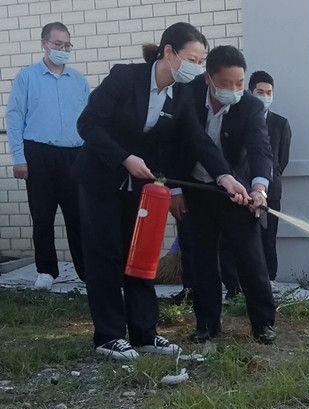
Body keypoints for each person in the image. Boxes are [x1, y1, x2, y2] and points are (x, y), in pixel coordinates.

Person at [72, 23, 250, 360]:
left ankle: (145, 333)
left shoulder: (182, 94)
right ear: (169, 52)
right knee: (106, 255)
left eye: (201, 61)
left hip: (140, 187)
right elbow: (88, 124)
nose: (198, 68)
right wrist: (124, 158)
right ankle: (109, 336)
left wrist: (225, 177)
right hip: (100, 179)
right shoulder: (125, 78)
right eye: (193, 60)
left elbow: (198, 140)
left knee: (141, 254)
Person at [170, 46, 277, 345]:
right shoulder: (187, 96)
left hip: (238, 193)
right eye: (226, 84)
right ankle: (207, 324)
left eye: (239, 83)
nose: (234, 90)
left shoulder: (251, 107)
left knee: (251, 259)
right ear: (208, 79)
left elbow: (260, 150)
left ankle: (263, 324)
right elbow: (173, 145)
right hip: (196, 190)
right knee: (201, 259)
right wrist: (175, 190)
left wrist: (259, 188)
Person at [6, 22, 89, 290]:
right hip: (38, 152)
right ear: (44, 43)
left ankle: (86, 271)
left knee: (78, 216)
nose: (62, 49)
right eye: (57, 44)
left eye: (67, 45)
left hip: (74, 154)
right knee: (42, 215)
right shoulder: (27, 77)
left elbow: (88, 121)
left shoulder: (78, 80)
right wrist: (19, 157)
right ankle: (46, 271)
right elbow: (14, 117)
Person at [220, 71, 292, 298]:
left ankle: (269, 281)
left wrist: (264, 185)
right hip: (239, 189)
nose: (265, 96)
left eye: (269, 92)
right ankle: (233, 286)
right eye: (260, 92)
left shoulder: (280, 124)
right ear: (250, 93)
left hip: (270, 191)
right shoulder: (237, 117)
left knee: (268, 238)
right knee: (232, 239)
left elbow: (281, 159)